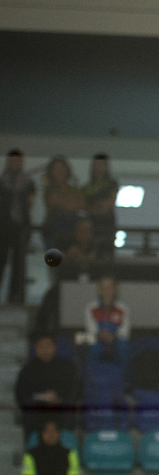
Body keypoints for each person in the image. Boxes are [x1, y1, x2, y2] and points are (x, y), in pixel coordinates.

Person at [16, 334, 77, 440]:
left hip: (61, 414)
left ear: (54, 347)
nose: (45, 349)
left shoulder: (67, 367)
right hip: (37, 415)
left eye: (48, 345)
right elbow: (21, 395)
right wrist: (40, 398)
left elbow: (75, 391)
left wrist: (60, 399)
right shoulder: (28, 370)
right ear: (35, 348)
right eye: (41, 346)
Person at [0, 149, 36, 304]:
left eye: (18, 160)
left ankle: (14, 296)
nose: (15, 163)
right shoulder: (2, 182)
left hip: (21, 227)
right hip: (2, 226)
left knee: (18, 263)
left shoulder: (28, 183)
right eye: (13, 160)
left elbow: (30, 203)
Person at [85, 275, 131, 372]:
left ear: (115, 290)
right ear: (99, 290)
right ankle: (91, 381)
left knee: (123, 347)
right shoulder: (90, 307)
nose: (107, 291)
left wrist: (113, 336)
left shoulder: (123, 308)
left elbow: (125, 332)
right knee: (93, 346)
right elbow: (90, 329)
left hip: (117, 339)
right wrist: (100, 335)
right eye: (103, 288)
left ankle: (125, 382)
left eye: (109, 287)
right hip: (97, 339)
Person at [42, 156, 85, 252]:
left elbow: (81, 204)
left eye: (61, 168)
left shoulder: (74, 189)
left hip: (72, 232)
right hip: (54, 232)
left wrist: (67, 201)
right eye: (56, 169)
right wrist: (69, 202)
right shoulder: (49, 189)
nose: (59, 172)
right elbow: (57, 202)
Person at [81, 153, 119, 260]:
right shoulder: (87, 187)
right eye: (96, 165)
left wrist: (95, 206)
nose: (99, 168)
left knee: (106, 254)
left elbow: (109, 203)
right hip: (92, 225)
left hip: (107, 225)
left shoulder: (112, 184)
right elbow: (85, 206)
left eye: (102, 164)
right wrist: (96, 207)